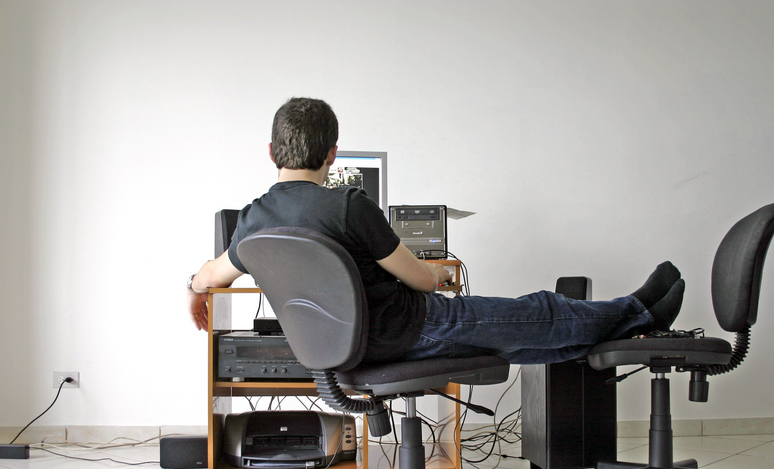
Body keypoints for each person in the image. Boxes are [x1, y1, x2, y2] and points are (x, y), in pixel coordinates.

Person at [187, 97, 684, 365]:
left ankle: (630, 327)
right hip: (411, 329)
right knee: (536, 310)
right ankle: (637, 311)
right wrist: (442, 276)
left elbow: (210, 276)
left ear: (271, 152)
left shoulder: (252, 221)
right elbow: (422, 281)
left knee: (514, 341)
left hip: (339, 349)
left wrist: (193, 290)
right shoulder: (348, 205)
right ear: (333, 154)